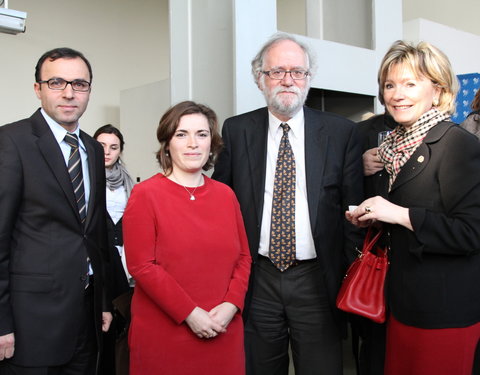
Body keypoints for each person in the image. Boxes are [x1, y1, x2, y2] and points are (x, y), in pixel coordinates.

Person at [212, 33, 364, 375]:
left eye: (297, 72)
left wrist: (345, 276)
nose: (287, 80)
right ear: (259, 78)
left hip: (317, 280)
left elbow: (352, 216)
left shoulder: (342, 133)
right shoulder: (237, 131)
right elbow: (222, 208)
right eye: (277, 71)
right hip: (258, 278)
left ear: (309, 79)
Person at [347, 40, 480, 375]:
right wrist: (372, 219)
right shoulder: (391, 148)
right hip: (392, 306)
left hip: (441, 312)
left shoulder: (457, 144)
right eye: (390, 85)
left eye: (410, 84)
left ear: (437, 91)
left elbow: (470, 233)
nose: (397, 94)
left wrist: (397, 214)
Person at [0, 48, 112, 375]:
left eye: (79, 84)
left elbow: (95, 234)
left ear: (89, 90)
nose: (68, 93)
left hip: (85, 317)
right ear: (38, 89)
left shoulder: (92, 148)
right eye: (56, 82)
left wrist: (103, 300)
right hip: (29, 322)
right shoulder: (11, 141)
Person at [123, 101, 251, 375]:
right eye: (182, 134)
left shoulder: (225, 195)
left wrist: (231, 305)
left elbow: (243, 257)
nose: (193, 143)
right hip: (165, 334)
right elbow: (141, 266)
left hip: (223, 329)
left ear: (211, 143)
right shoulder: (146, 194)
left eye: (202, 134)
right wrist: (190, 314)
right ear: (167, 143)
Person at [94, 124, 134, 375]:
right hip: (97, 258)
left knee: (123, 320)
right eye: (101, 146)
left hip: (124, 260)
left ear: (120, 151)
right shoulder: (83, 177)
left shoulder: (128, 182)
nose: (107, 152)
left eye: (113, 147)